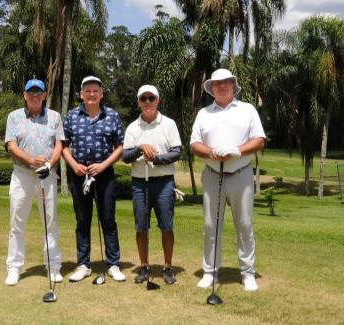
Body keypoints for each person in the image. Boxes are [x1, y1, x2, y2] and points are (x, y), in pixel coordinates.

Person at [190, 68, 266, 291]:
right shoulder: (204, 113)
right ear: (211, 88)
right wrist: (211, 152)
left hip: (241, 174)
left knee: (244, 225)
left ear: (233, 85)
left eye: (226, 82)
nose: (221, 86)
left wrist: (237, 150)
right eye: (217, 83)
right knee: (210, 225)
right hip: (213, 174)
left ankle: (247, 273)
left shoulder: (247, 109)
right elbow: (194, 144)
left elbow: (259, 139)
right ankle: (210, 272)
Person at [63, 76, 126, 282]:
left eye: (95, 91)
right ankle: (83, 265)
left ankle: (113, 264)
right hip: (79, 174)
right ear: (81, 94)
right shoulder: (72, 116)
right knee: (82, 220)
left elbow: (120, 147)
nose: (91, 94)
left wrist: (103, 165)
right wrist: (73, 165)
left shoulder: (112, 116)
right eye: (87, 90)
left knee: (108, 219)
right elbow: (62, 145)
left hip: (104, 174)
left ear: (101, 94)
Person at [4, 79, 64, 286]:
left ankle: (53, 266)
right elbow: (11, 146)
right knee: (17, 222)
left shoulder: (54, 117)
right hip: (22, 175)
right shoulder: (14, 117)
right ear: (24, 95)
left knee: (50, 221)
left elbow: (59, 145)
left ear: (45, 95)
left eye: (39, 92)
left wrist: (49, 165)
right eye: (31, 92)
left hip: (47, 175)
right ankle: (14, 267)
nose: (35, 95)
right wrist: (30, 160)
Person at [123, 85, 182, 285]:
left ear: (158, 101)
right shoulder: (133, 127)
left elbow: (176, 152)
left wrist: (156, 159)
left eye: (151, 98)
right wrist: (141, 148)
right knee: (141, 226)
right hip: (140, 183)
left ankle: (167, 266)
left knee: (166, 225)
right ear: (138, 102)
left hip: (164, 182)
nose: (147, 102)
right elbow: (125, 156)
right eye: (143, 98)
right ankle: (144, 266)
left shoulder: (169, 124)